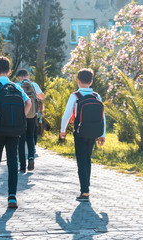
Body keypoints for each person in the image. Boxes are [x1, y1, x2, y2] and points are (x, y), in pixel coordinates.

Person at [0, 56, 31, 208]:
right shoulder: (16, 87)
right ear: (9, 71)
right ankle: (12, 197)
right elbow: (28, 102)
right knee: (12, 161)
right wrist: (20, 117)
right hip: (14, 129)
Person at [60, 68, 106, 201]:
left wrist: (62, 130)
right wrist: (102, 134)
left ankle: (84, 191)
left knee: (81, 160)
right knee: (87, 158)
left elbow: (67, 115)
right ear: (91, 82)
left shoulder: (75, 96)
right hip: (94, 133)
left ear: (78, 81)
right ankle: (86, 186)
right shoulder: (97, 96)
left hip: (79, 133)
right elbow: (103, 116)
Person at [16, 70, 45, 172]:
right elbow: (42, 97)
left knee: (21, 139)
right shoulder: (34, 84)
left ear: (19, 77)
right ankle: (31, 158)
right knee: (30, 137)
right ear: (28, 76)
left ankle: (22, 166)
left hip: (20, 115)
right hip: (32, 114)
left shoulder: (17, 85)